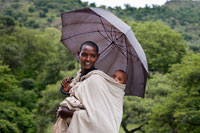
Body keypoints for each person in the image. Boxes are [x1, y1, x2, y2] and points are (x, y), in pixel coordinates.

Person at [53, 41, 126, 133]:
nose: (88, 59)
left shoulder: (95, 80)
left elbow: (98, 118)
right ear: (78, 54)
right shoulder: (79, 76)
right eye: (84, 54)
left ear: (97, 57)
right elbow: (79, 101)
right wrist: (67, 90)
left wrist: (68, 113)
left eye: (92, 56)